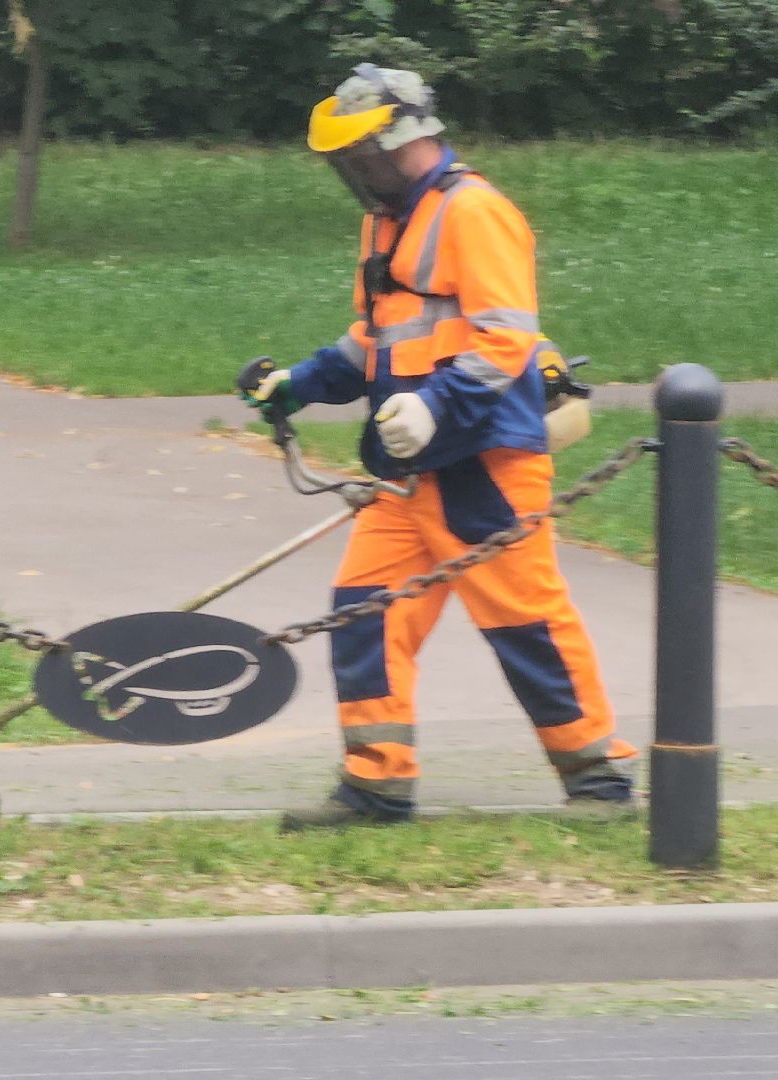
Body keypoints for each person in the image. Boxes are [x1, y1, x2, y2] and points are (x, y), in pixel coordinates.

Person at [243, 64, 637, 831]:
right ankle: (376, 786)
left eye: (359, 157)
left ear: (401, 139)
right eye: (344, 162)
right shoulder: (387, 220)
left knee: (526, 624)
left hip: (483, 462)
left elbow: (504, 341)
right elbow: (376, 338)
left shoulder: (475, 212)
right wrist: (298, 384)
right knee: (363, 614)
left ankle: (600, 781)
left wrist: (433, 408)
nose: (352, 174)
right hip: (406, 473)